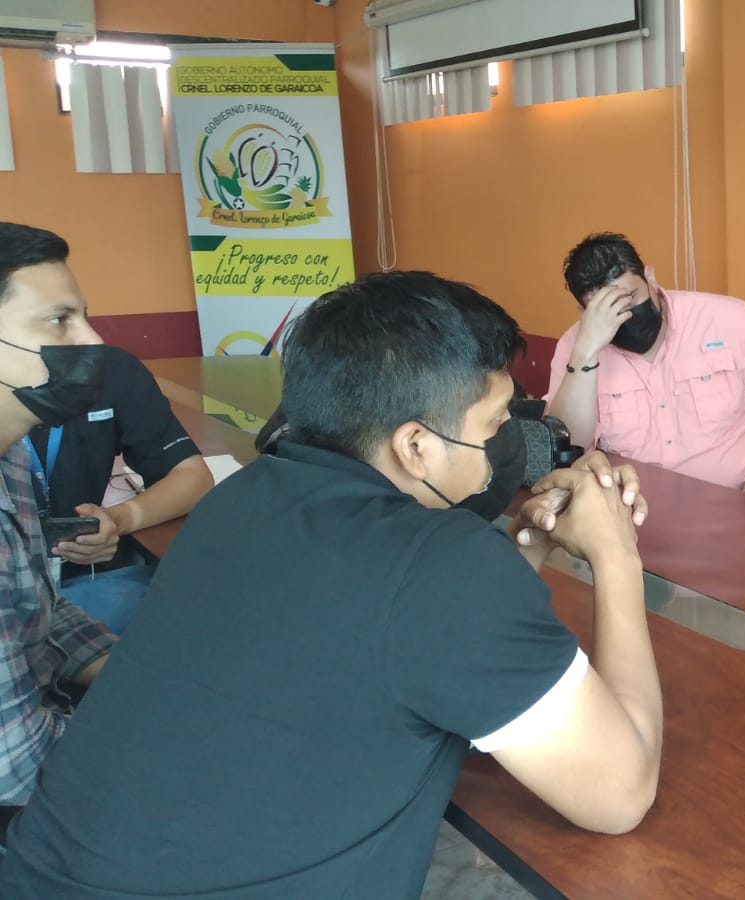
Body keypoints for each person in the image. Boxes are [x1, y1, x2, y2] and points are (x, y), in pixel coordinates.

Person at [0, 271, 664, 898]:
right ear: (415, 446)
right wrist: (616, 555)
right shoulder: (442, 562)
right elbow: (619, 795)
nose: (503, 443)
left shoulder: (241, 498)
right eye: (493, 424)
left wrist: (531, 540)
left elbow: (433, 646)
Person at [545, 232, 745, 492]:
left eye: (630, 297)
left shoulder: (727, 320)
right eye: (606, 308)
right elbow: (568, 447)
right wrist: (585, 355)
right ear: (583, 310)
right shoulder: (575, 347)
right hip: (636, 512)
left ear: (650, 278)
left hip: (744, 503)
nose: (625, 315)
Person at [0, 223, 116, 824]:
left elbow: (31, 605)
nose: (92, 340)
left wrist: (129, 670)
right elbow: (16, 770)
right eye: (59, 320)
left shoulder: (13, 454)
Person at [33, 345, 214, 634]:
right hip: (14, 595)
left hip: (78, 582)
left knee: (202, 599)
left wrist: (117, 520)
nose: (89, 336)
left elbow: (193, 477)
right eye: (57, 321)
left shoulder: (108, 369)